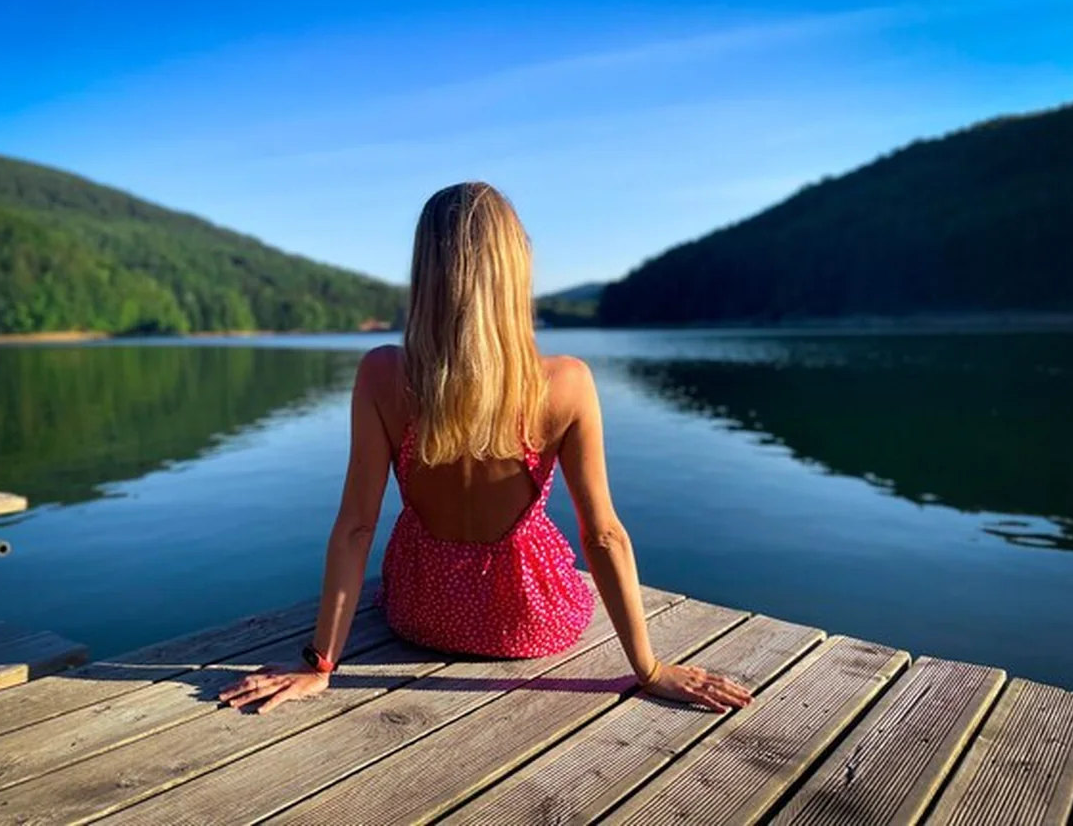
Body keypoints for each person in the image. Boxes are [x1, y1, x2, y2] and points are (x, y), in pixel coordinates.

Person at [219, 182, 753, 715]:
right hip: (532, 620)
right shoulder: (566, 383)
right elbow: (603, 534)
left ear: (426, 269)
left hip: (421, 613)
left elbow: (357, 527)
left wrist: (320, 664)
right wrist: (650, 669)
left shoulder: (382, 375)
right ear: (514, 266)